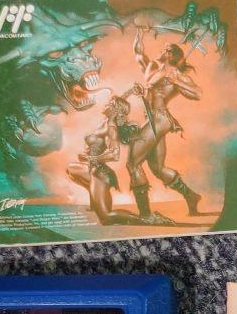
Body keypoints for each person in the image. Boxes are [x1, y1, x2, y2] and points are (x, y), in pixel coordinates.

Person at [125, 31, 202, 219]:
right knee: (157, 168)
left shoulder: (176, 74)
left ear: (171, 55)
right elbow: (138, 54)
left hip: (160, 118)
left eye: (165, 49)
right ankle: (191, 196)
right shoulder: (152, 67)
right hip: (151, 118)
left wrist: (177, 82)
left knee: (133, 163)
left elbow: (197, 93)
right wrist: (139, 35)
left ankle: (145, 215)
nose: (161, 50)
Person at [66, 96, 170, 225]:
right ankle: (95, 198)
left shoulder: (111, 128)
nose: (106, 104)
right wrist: (130, 92)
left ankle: (145, 220)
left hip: (99, 173)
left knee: (106, 218)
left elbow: (114, 155)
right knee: (71, 169)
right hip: (93, 170)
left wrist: (93, 158)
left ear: (115, 111)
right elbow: (121, 101)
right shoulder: (106, 121)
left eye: (110, 104)